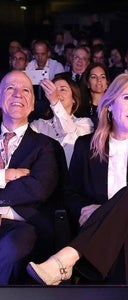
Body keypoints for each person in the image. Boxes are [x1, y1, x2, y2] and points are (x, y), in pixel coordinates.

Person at [27, 74, 128, 285]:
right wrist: (107, 213)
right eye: (127, 99)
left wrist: (106, 210)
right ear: (109, 105)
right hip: (109, 235)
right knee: (126, 230)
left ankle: (66, 258)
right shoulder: (85, 145)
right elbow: (70, 193)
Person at [0, 71, 60, 284]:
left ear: (33, 105)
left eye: (25, 90)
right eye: (10, 88)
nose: (18, 94)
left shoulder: (45, 145)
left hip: (22, 225)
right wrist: (4, 176)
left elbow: (38, 187)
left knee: (12, 248)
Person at [31, 73, 93, 166]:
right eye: (54, 90)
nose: (56, 94)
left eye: (63, 89)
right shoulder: (38, 125)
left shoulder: (85, 123)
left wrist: (55, 102)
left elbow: (69, 133)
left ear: (74, 99)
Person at [77, 63, 109, 129]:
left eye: (102, 77)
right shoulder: (80, 109)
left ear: (107, 84)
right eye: (94, 77)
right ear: (88, 83)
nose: (99, 80)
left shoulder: (113, 107)